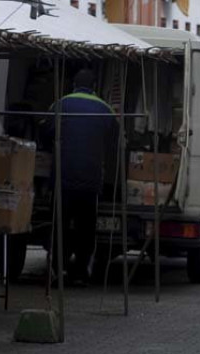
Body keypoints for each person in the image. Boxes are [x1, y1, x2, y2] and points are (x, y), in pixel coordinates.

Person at [50, 69, 118, 285]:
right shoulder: (105, 110)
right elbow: (115, 142)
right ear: (95, 86)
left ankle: (58, 268)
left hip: (63, 178)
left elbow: (45, 133)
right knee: (86, 229)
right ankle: (80, 271)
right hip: (90, 181)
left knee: (59, 225)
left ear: (73, 85)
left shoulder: (60, 104)